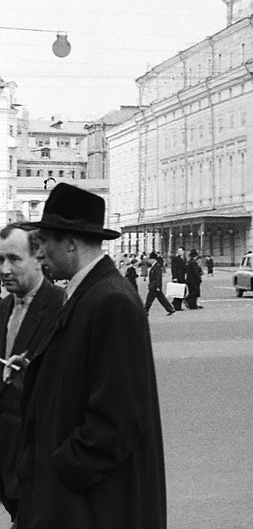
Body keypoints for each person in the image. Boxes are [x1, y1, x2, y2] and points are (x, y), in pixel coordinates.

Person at [19, 182, 168, 527]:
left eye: (43, 243)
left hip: (92, 507)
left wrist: (62, 471)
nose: (38, 254)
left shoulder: (110, 299)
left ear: (69, 243)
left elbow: (119, 415)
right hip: (81, 502)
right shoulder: (90, 293)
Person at [0, 223, 66, 522]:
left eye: (14, 259)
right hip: (6, 459)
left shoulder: (61, 307)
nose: (4, 269)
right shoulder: (3, 307)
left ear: (38, 256)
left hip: (39, 460)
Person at [169, 247, 187, 311]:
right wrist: (174, 277)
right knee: (179, 292)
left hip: (182, 277)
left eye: (181, 251)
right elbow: (173, 268)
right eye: (179, 251)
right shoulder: (176, 259)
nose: (180, 252)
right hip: (178, 277)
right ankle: (177, 305)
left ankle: (176, 303)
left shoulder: (184, 258)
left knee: (182, 291)